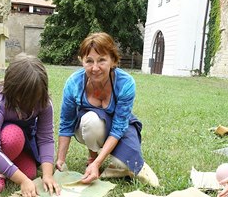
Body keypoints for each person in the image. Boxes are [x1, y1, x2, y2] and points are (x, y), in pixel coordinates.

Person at [55, 32, 159, 187]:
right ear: (81, 61)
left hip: (120, 126)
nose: (95, 68)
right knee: (90, 122)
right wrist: (60, 161)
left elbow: (118, 128)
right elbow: (66, 123)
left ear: (113, 60)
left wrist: (98, 164)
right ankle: (92, 158)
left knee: (131, 167)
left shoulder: (126, 83)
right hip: (90, 124)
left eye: (102, 60)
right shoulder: (74, 83)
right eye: (89, 61)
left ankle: (107, 164)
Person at [0, 53, 60, 197]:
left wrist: (48, 175)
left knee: (30, 173)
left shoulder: (44, 102)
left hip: (21, 129)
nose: (30, 103)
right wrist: (22, 181)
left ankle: (7, 159)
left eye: (34, 98)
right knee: (12, 136)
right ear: (12, 89)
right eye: (25, 98)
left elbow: (46, 138)